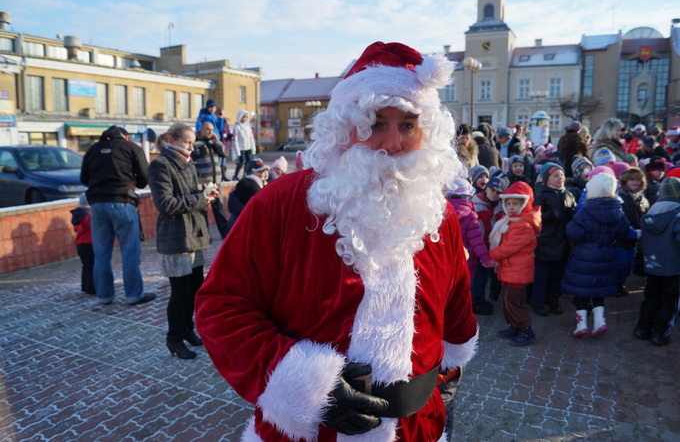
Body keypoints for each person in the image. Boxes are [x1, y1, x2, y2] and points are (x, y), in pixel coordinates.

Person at [195, 41, 478, 442]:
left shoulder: (440, 213)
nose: (393, 143)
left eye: (408, 125)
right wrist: (308, 386)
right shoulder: (281, 203)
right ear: (344, 129)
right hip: (313, 431)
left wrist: (449, 372)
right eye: (376, 123)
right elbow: (221, 306)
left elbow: (455, 308)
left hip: (416, 430)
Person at [147, 122, 217, 359]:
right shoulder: (160, 164)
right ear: (172, 140)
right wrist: (200, 199)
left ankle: (188, 329)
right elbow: (165, 204)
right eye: (187, 142)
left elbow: (188, 195)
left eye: (192, 142)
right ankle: (174, 338)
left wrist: (205, 193)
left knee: (194, 290)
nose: (191, 147)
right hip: (175, 238)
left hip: (193, 235)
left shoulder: (187, 163)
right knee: (179, 292)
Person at [80, 125, 154, 305]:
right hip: (123, 203)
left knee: (101, 253)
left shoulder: (93, 149)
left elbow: (84, 178)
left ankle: (104, 296)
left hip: (97, 206)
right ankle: (134, 295)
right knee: (129, 252)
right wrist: (130, 181)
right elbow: (145, 178)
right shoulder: (131, 148)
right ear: (126, 137)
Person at [561, 173, 637, 337]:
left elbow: (573, 234)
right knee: (599, 291)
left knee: (582, 292)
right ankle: (599, 322)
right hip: (607, 256)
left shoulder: (584, 212)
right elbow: (624, 232)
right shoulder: (618, 211)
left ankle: (581, 324)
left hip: (584, 257)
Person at [489, 181, 541, 347]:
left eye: (515, 204)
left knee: (515, 302)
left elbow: (508, 248)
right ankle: (515, 326)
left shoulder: (523, 225)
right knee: (507, 301)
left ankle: (526, 330)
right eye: (508, 203)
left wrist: (491, 255)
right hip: (510, 269)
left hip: (517, 271)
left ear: (524, 204)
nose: (511, 207)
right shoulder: (511, 221)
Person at [635, 177, 680, 346]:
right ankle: (660, 333)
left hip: (652, 265)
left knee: (651, 298)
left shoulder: (651, 213)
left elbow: (643, 241)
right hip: (673, 267)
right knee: (669, 301)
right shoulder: (677, 214)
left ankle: (642, 328)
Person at [531, 163, 576, 316]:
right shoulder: (541, 195)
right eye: (556, 175)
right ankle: (538, 302)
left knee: (557, 276)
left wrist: (572, 214)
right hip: (545, 243)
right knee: (542, 276)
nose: (560, 178)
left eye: (562, 175)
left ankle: (553, 300)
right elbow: (535, 218)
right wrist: (551, 215)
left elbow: (572, 215)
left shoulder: (568, 194)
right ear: (546, 180)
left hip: (562, 243)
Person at [471, 175, 509, 312]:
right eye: (492, 190)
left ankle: (479, 299)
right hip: (476, 248)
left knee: (484, 276)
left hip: (491, 249)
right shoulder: (475, 204)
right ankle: (475, 301)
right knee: (477, 277)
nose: (495, 194)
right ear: (486, 189)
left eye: (499, 192)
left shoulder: (500, 207)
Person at [191, 121, 229, 239]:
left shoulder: (214, 143)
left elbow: (225, 153)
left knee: (219, 209)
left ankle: (225, 233)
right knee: (203, 210)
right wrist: (201, 144)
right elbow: (191, 154)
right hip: (203, 183)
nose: (209, 132)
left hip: (216, 182)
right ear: (201, 130)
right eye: (207, 129)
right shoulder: (195, 143)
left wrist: (216, 141)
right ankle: (205, 236)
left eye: (212, 130)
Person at [225, 158, 266, 236]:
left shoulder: (260, 184)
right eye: (259, 171)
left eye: (263, 171)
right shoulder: (249, 186)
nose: (262, 174)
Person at [70, 193, 95, 295]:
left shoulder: (77, 214)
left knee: (86, 266)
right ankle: (91, 288)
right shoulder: (88, 214)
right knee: (91, 266)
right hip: (89, 243)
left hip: (80, 244)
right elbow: (93, 226)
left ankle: (85, 286)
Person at [231, 110, 256, 180]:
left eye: (246, 117)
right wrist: (237, 150)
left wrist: (253, 148)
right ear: (239, 117)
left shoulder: (248, 127)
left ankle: (246, 175)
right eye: (243, 117)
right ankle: (235, 175)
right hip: (241, 148)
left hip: (248, 147)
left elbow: (251, 138)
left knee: (248, 163)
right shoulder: (236, 127)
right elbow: (235, 140)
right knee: (241, 162)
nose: (244, 119)